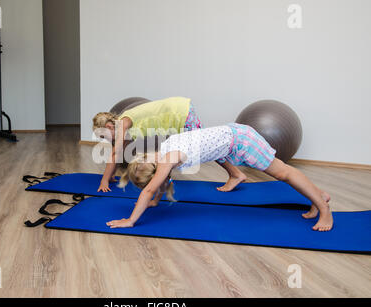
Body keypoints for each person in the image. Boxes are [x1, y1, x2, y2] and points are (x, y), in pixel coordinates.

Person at [106, 123, 333, 232]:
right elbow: (160, 182)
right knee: (284, 172)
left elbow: (149, 188)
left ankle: (324, 209)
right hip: (230, 139)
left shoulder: (168, 158)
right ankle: (318, 195)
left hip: (240, 140)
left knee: (283, 172)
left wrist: (131, 220)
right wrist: (156, 200)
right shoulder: (161, 152)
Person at [92, 97, 203, 192]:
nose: (105, 140)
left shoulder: (123, 124)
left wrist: (104, 181)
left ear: (108, 127)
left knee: (201, 144)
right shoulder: (123, 126)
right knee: (200, 144)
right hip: (181, 108)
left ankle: (164, 180)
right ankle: (164, 181)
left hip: (180, 111)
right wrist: (111, 174)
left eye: (103, 136)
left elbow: (114, 153)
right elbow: (118, 153)